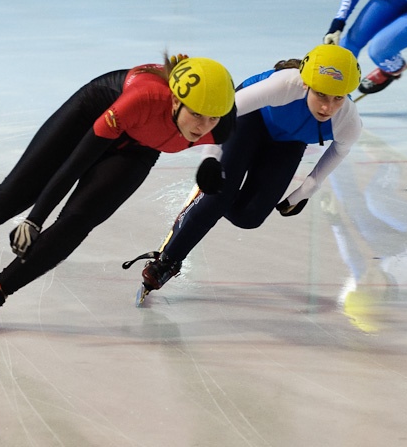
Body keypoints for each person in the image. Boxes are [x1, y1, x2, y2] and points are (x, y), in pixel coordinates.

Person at [0, 55, 237, 336]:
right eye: (197, 117)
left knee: (79, 220)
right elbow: (74, 163)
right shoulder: (141, 100)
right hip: (93, 116)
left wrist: (211, 158)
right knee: (15, 195)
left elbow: (221, 138)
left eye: (212, 120)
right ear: (174, 101)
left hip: (140, 148)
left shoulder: (220, 119)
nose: (204, 126)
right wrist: (35, 217)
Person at [128, 44, 362, 300]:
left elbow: (339, 150)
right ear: (306, 84)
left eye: (338, 98)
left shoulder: (348, 120)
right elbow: (223, 112)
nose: (327, 107)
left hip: (287, 141)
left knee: (249, 217)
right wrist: (211, 159)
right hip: (247, 119)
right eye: (321, 95)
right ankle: (167, 261)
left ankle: (217, 197)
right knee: (217, 198)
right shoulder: (284, 86)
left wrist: (306, 190)